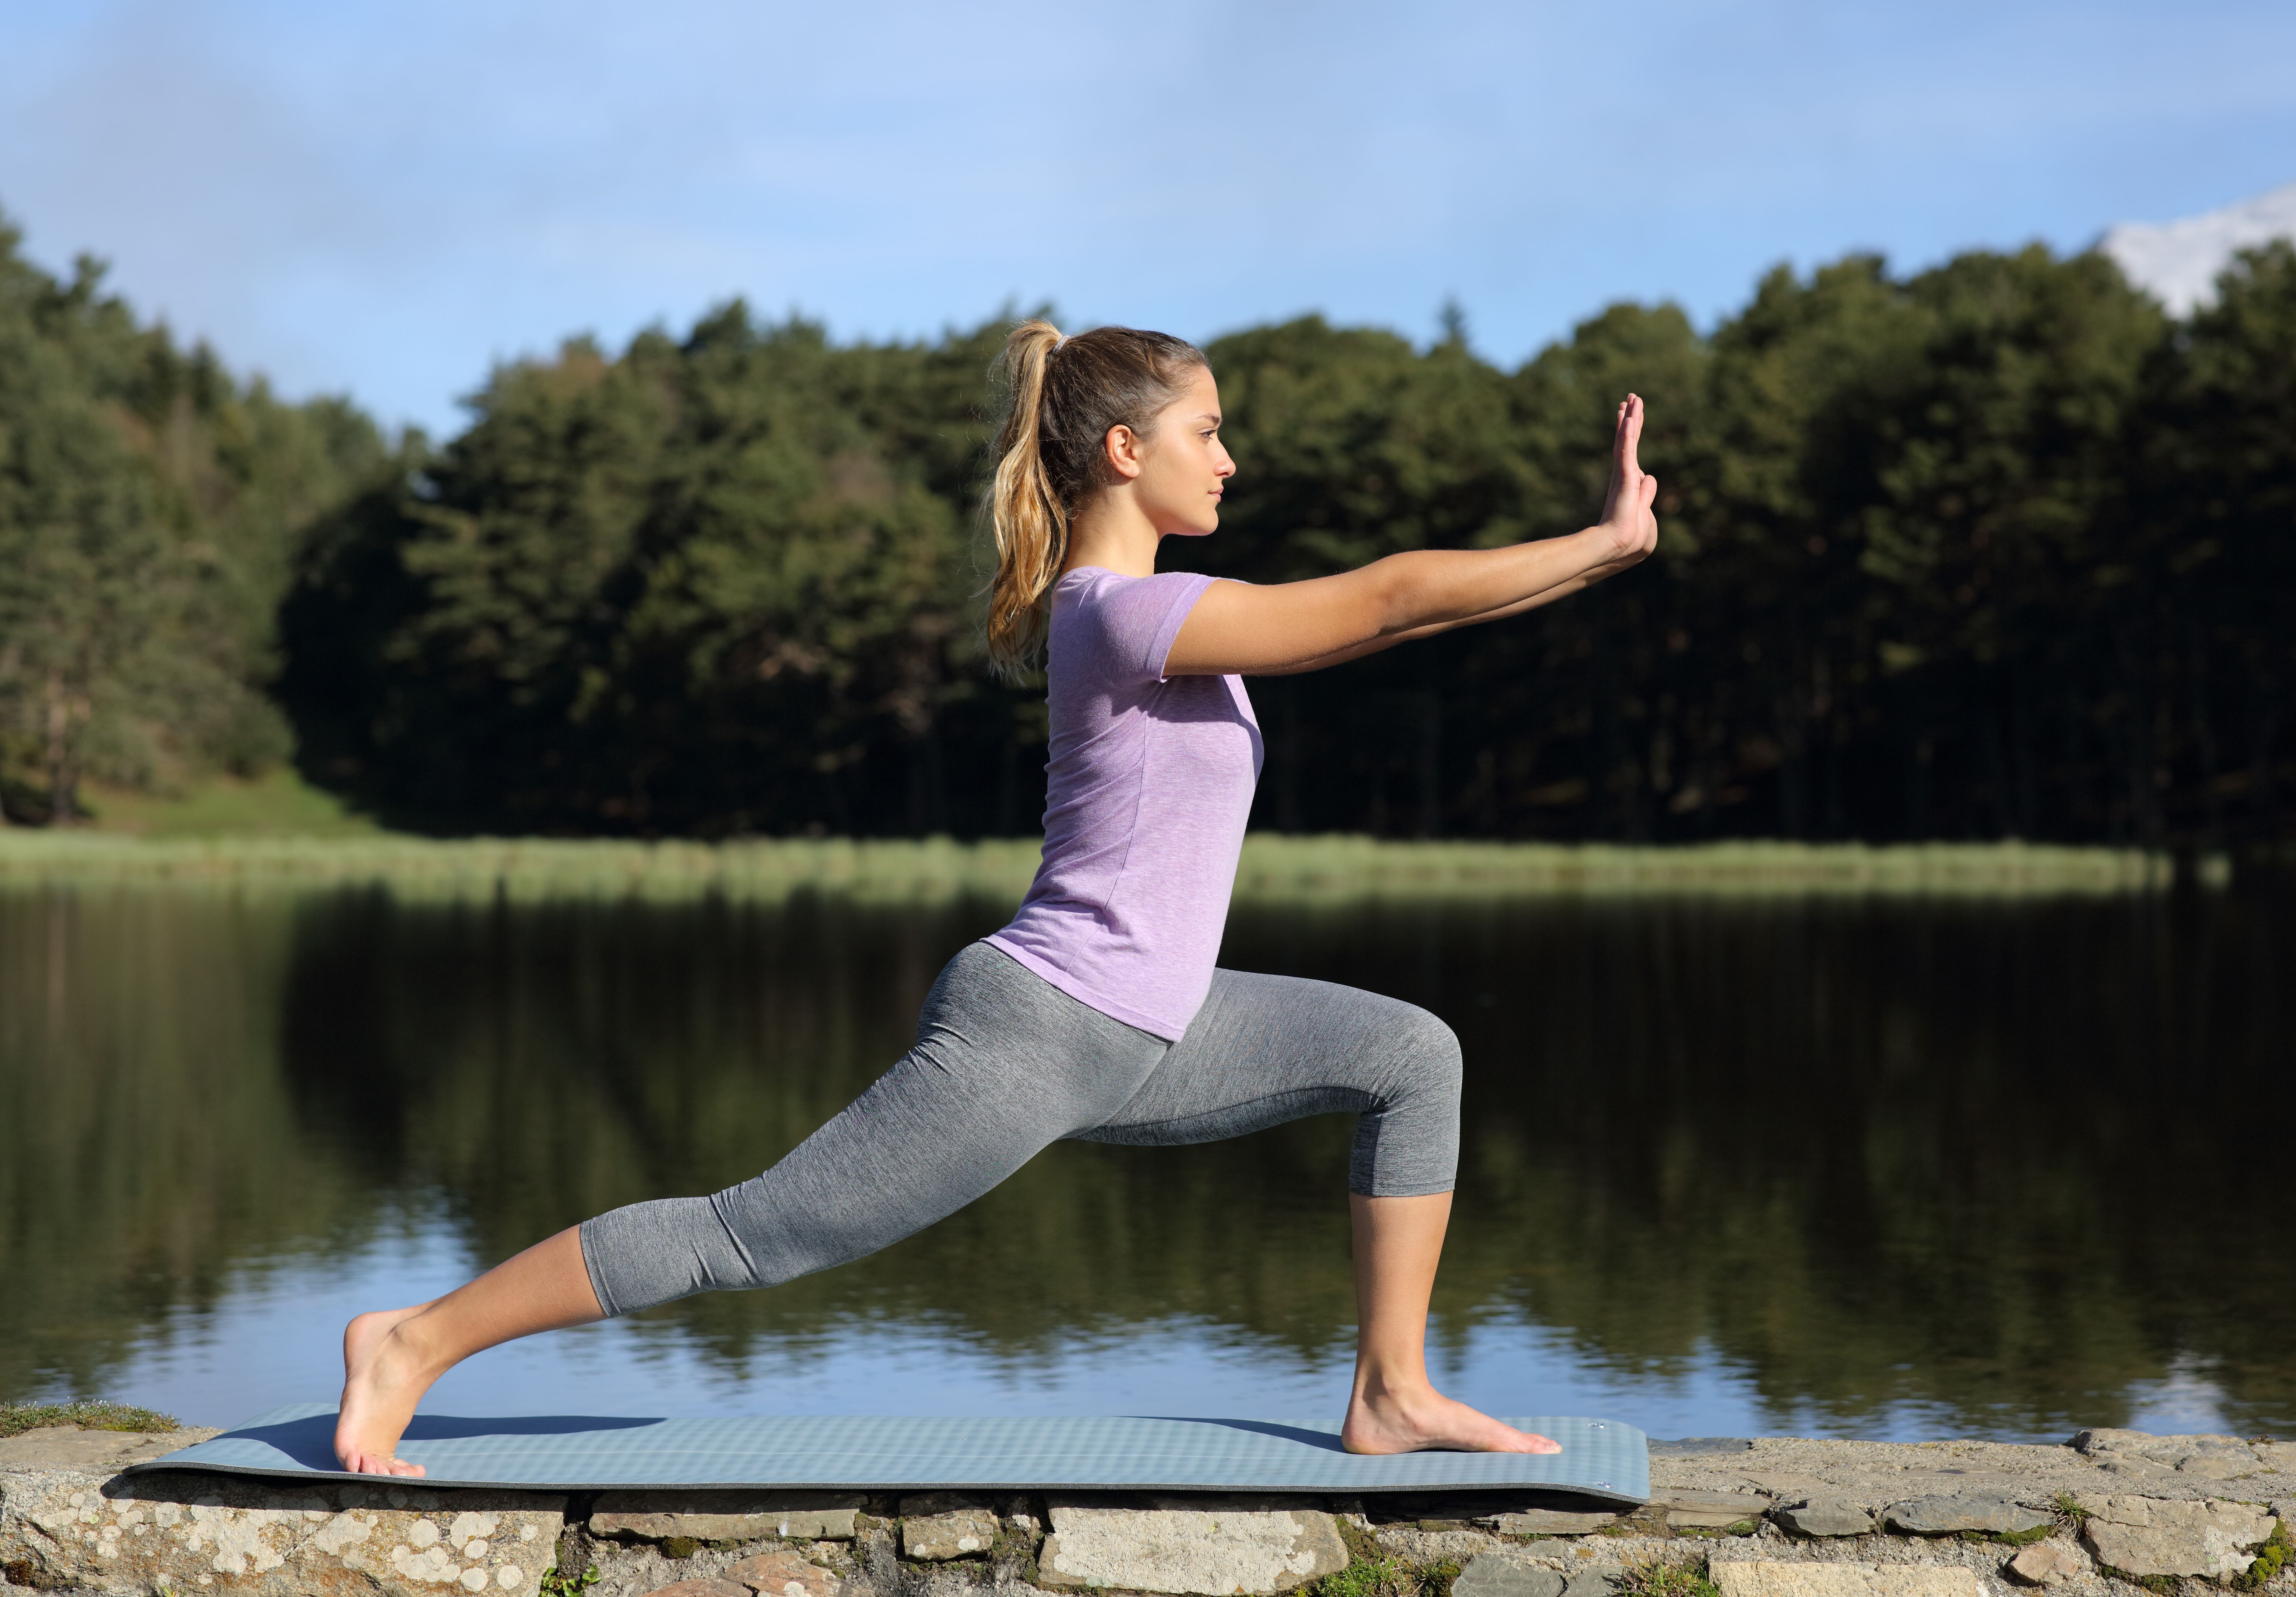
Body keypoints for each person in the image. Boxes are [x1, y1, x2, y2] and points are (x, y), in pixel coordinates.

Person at [332, 320, 1659, 1477]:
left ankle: (1391, 1392)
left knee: (1411, 1056)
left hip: (1151, 1027)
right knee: (754, 1238)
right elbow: (1384, 596)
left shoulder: (1162, 616)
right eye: (1211, 430)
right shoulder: (1122, 615)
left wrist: (1601, 562)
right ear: (1128, 452)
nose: (1231, 458)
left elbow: (1393, 622)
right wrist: (1594, 538)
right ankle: (413, 1339)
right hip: (1041, 1030)